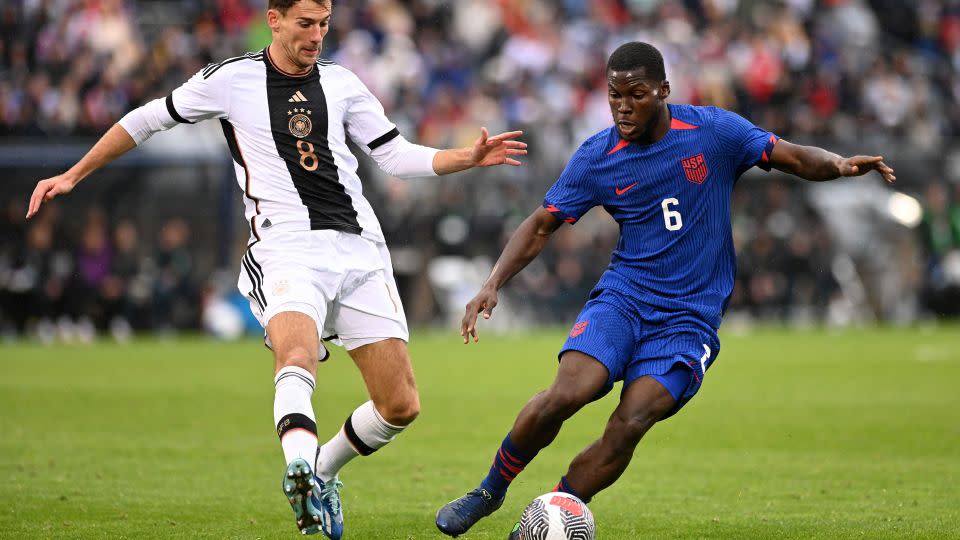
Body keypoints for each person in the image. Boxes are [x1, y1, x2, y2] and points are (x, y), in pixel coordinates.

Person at [25, 0, 526, 538]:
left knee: (400, 405)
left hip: (358, 250)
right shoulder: (231, 79)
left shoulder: (342, 83)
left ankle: (322, 473)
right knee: (296, 353)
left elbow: (395, 154)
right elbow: (146, 120)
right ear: (275, 19)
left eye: (325, 24)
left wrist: (464, 158)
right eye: (306, 24)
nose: (316, 36)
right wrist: (75, 174)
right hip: (285, 249)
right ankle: (300, 467)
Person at [435, 41, 895, 537]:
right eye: (614, 95)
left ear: (663, 91)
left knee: (631, 421)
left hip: (689, 318)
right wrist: (492, 283)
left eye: (636, 94)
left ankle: (555, 512)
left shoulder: (714, 132)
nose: (623, 106)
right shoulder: (597, 155)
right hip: (625, 299)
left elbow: (793, 157)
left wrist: (843, 166)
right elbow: (543, 223)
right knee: (568, 393)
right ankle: (489, 490)